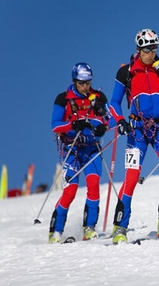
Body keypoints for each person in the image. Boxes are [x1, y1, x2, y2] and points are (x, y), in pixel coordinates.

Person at [109, 29, 159, 244]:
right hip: (136, 132)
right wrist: (120, 121)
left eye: (154, 48)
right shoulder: (126, 73)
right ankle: (120, 227)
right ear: (138, 49)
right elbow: (113, 103)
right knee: (131, 178)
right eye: (147, 49)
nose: (151, 53)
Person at [48, 62, 111, 243]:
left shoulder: (98, 96)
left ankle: (89, 228)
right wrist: (73, 125)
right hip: (72, 149)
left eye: (88, 82)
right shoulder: (63, 99)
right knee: (70, 191)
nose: (86, 87)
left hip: (92, 148)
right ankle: (55, 231)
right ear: (74, 81)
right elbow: (55, 125)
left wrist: (103, 127)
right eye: (82, 83)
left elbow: (110, 119)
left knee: (93, 185)